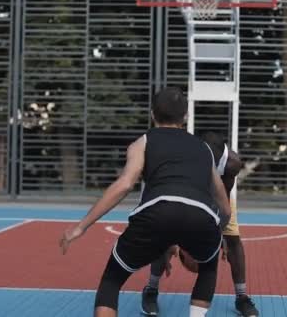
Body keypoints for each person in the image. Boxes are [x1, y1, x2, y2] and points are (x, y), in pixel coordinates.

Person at [60, 88, 231, 317]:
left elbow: (124, 184)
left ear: (152, 114)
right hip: (201, 215)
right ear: (186, 117)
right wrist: (216, 236)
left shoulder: (143, 142)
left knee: (112, 280)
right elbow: (224, 206)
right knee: (208, 266)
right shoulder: (204, 149)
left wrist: (81, 226)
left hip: (156, 212)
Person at [141, 132, 260, 317]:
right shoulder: (182, 158)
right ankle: (151, 289)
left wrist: (219, 235)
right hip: (187, 190)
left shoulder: (231, 164)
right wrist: (174, 240)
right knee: (164, 234)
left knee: (233, 239)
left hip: (217, 196)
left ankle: (242, 296)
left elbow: (224, 204)